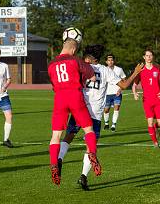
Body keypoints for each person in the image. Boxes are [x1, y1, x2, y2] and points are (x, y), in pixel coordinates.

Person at [57, 44, 144, 190]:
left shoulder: (80, 66)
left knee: (69, 136)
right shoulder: (105, 70)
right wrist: (135, 72)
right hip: (95, 114)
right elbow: (123, 85)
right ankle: (83, 176)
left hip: (79, 109)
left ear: (89, 57)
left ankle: (59, 159)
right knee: (90, 147)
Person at [47, 28, 101, 186]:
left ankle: (54, 164)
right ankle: (92, 154)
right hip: (75, 96)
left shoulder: (51, 64)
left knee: (55, 136)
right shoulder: (76, 60)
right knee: (88, 130)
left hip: (60, 99)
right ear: (74, 48)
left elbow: (53, 85)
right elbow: (91, 75)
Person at [132, 48, 160, 148]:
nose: (148, 57)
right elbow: (134, 85)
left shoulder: (158, 68)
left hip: (158, 100)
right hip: (147, 100)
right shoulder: (140, 70)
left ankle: (156, 128)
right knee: (150, 121)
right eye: (147, 55)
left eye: (150, 55)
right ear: (144, 57)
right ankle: (155, 142)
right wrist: (135, 93)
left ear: (153, 57)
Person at [103, 54, 127, 132]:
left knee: (116, 108)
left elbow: (124, 80)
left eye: (112, 60)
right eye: (109, 60)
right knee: (106, 110)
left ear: (114, 61)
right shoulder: (104, 70)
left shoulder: (119, 69)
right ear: (106, 62)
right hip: (107, 94)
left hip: (117, 93)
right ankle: (106, 123)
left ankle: (113, 125)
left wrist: (120, 89)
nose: (110, 62)